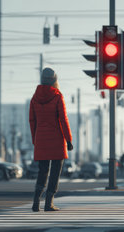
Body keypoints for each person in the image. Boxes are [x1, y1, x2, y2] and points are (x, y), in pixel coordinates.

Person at [29, 67, 73, 212]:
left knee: (42, 172)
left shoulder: (34, 98)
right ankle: (49, 203)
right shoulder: (57, 96)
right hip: (57, 140)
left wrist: (35, 140)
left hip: (41, 139)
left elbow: (32, 121)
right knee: (55, 173)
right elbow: (63, 120)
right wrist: (69, 139)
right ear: (55, 80)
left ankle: (36, 202)